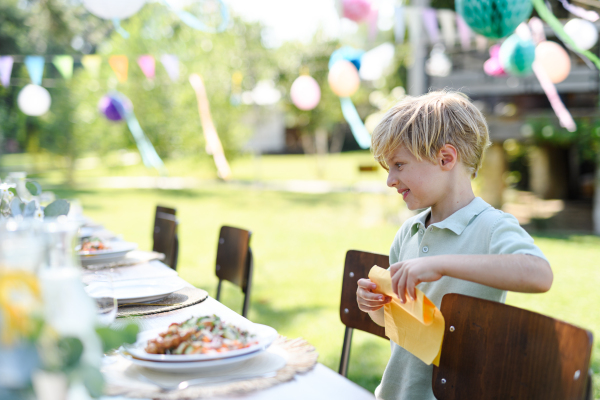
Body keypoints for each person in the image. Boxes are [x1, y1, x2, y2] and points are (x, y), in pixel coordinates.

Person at [356, 90, 553, 400]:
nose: (390, 180)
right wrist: (375, 307)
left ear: (445, 158)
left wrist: (440, 264)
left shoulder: (491, 227)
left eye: (399, 164)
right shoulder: (408, 233)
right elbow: (399, 327)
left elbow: (539, 275)